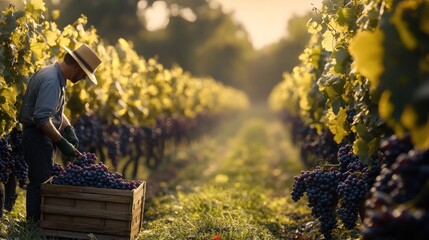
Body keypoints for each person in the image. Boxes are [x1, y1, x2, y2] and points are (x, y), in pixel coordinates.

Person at [18, 43, 102, 223]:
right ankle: (33, 227)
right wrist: (63, 142)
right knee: (40, 184)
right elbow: (42, 119)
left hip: (41, 136)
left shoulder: (54, 76)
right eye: (84, 75)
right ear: (77, 67)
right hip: (37, 136)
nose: (83, 79)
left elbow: (53, 112)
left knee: (43, 181)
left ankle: (38, 225)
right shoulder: (51, 81)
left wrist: (68, 127)